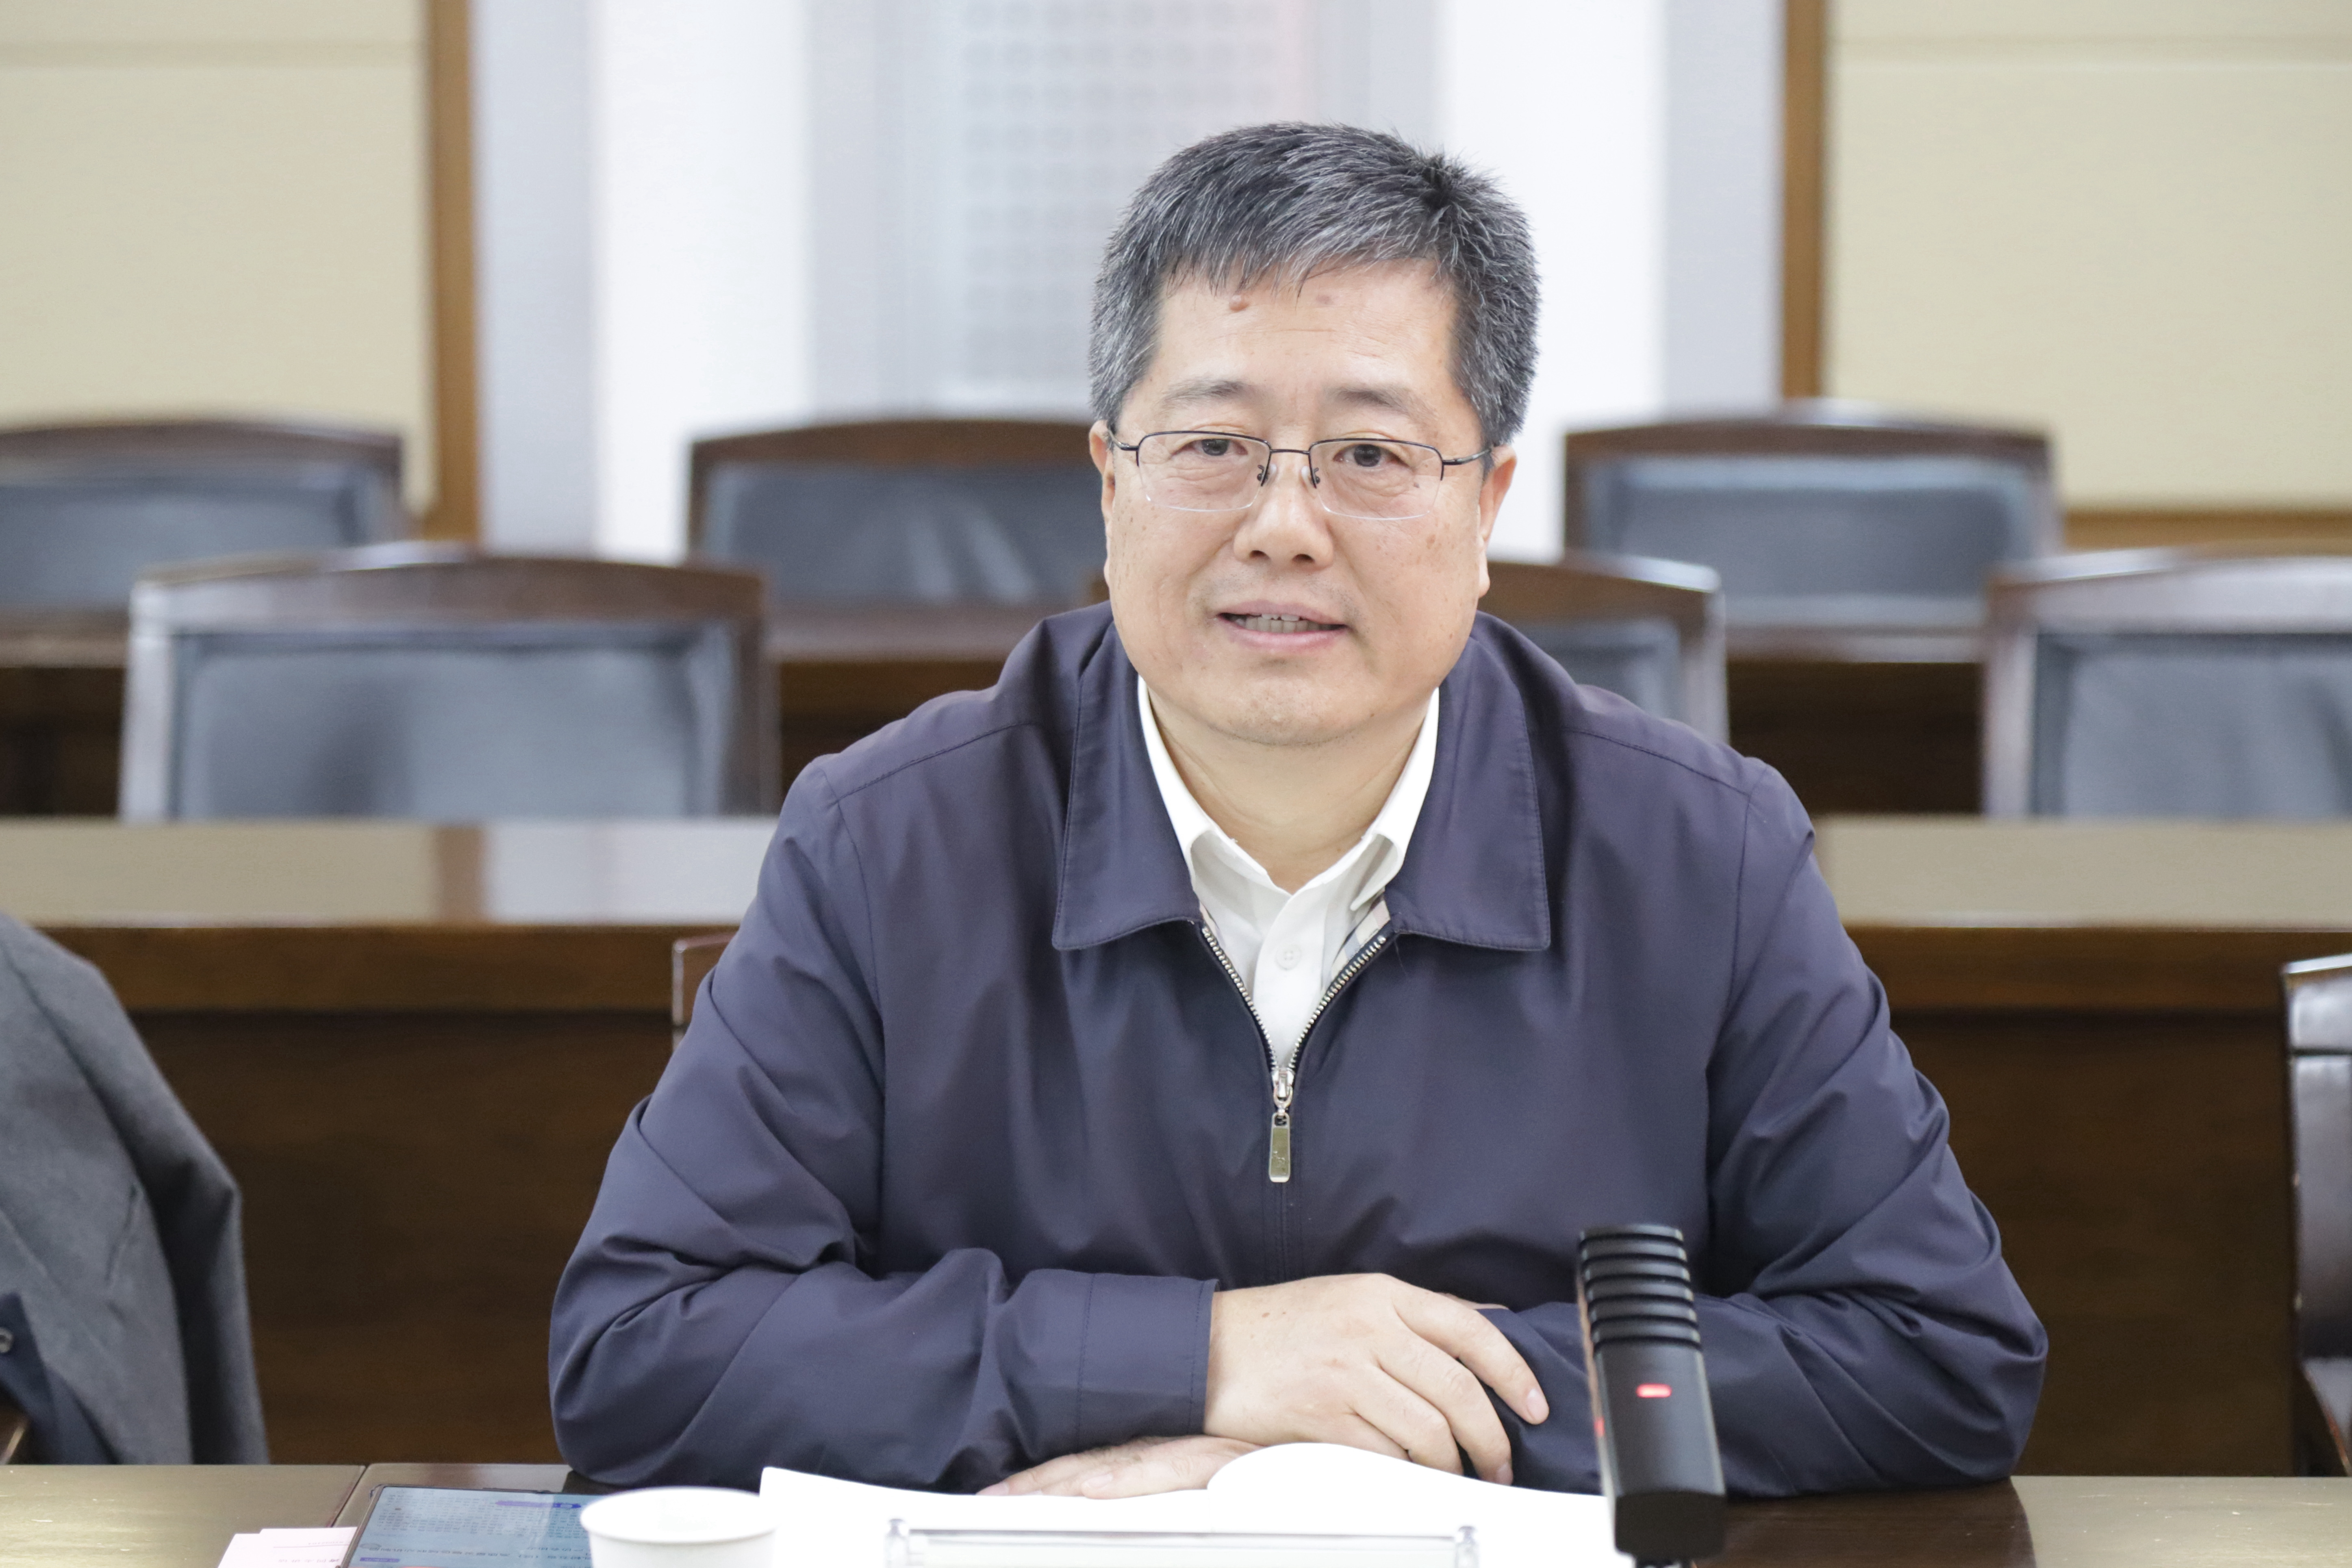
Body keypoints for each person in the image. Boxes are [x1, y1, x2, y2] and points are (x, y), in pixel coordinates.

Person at [549, 123, 2045, 1497]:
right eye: (1211, 447)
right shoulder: (889, 838)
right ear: (1109, 483)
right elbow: (644, 1350)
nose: (1282, 525)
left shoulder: (1698, 852)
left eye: (1370, 456)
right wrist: (1197, 1359)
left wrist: (1361, 1419)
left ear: (1485, 505)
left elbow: (1933, 1352)